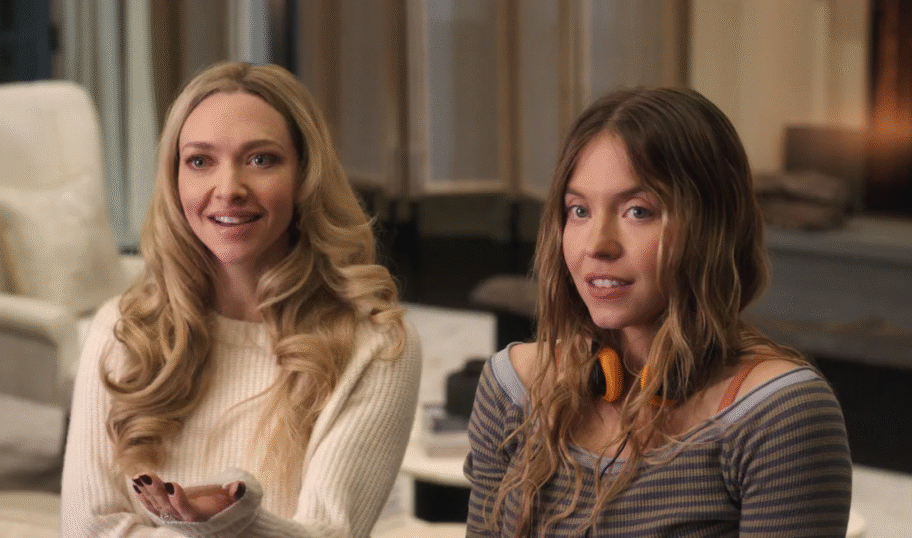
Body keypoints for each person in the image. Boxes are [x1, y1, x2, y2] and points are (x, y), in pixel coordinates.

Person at [464, 87, 852, 536]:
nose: (597, 245)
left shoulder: (779, 415)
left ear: (712, 228)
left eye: (638, 211)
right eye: (579, 210)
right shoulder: (511, 390)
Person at [61, 61, 421, 537]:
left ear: (304, 176)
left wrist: (230, 520)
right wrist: (222, 528)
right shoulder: (123, 329)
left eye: (260, 159)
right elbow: (87, 529)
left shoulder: (377, 345)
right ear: (174, 181)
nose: (228, 189)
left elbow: (330, 533)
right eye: (200, 161)